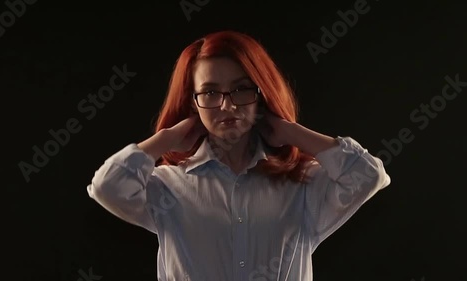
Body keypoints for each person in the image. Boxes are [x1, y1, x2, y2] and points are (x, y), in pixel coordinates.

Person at [87, 30, 391, 281]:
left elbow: (368, 174)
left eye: (241, 89)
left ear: (262, 95)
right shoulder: (167, 187)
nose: (228, 107)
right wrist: (166, 138)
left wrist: (292, 132)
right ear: (193, 104)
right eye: (209, 93)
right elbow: (107, 187)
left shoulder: (303, 186)